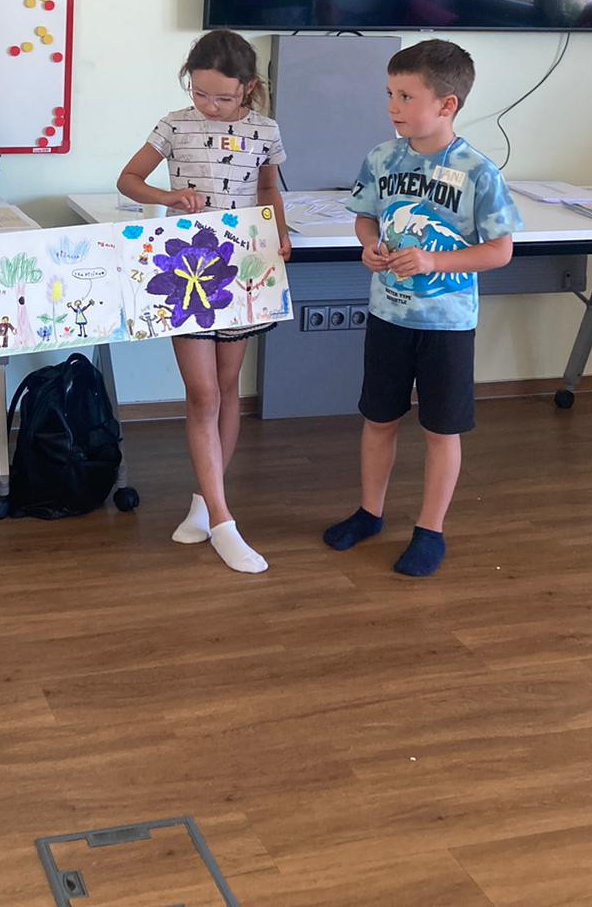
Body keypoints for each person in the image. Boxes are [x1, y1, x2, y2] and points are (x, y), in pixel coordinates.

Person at [323, 39, 521, 577]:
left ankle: (430, 530)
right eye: (389, 93)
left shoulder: (479, 172)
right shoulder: (381, 158)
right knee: (378, 418)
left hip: (447, 326)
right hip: (387, 317)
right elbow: (365, 215)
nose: (392, 106)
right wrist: (368, 244)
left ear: (446, 104)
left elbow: (500, 250)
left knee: (441, 429)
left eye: (406, 96)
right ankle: (369, 513)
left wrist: (435, 261)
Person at [117, 29, 289, 573]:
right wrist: (168, 195)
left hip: (241, 264)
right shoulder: (174, 125)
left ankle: (203, 502)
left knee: (227, 387)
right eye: (199, 93)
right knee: (202, 393)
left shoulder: (265, 130)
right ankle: (223, 520)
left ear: (249, 88)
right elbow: (128, 179)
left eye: (222, 97)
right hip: (185, 265)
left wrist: (279, 234)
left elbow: (267, 189)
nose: (209, 105)